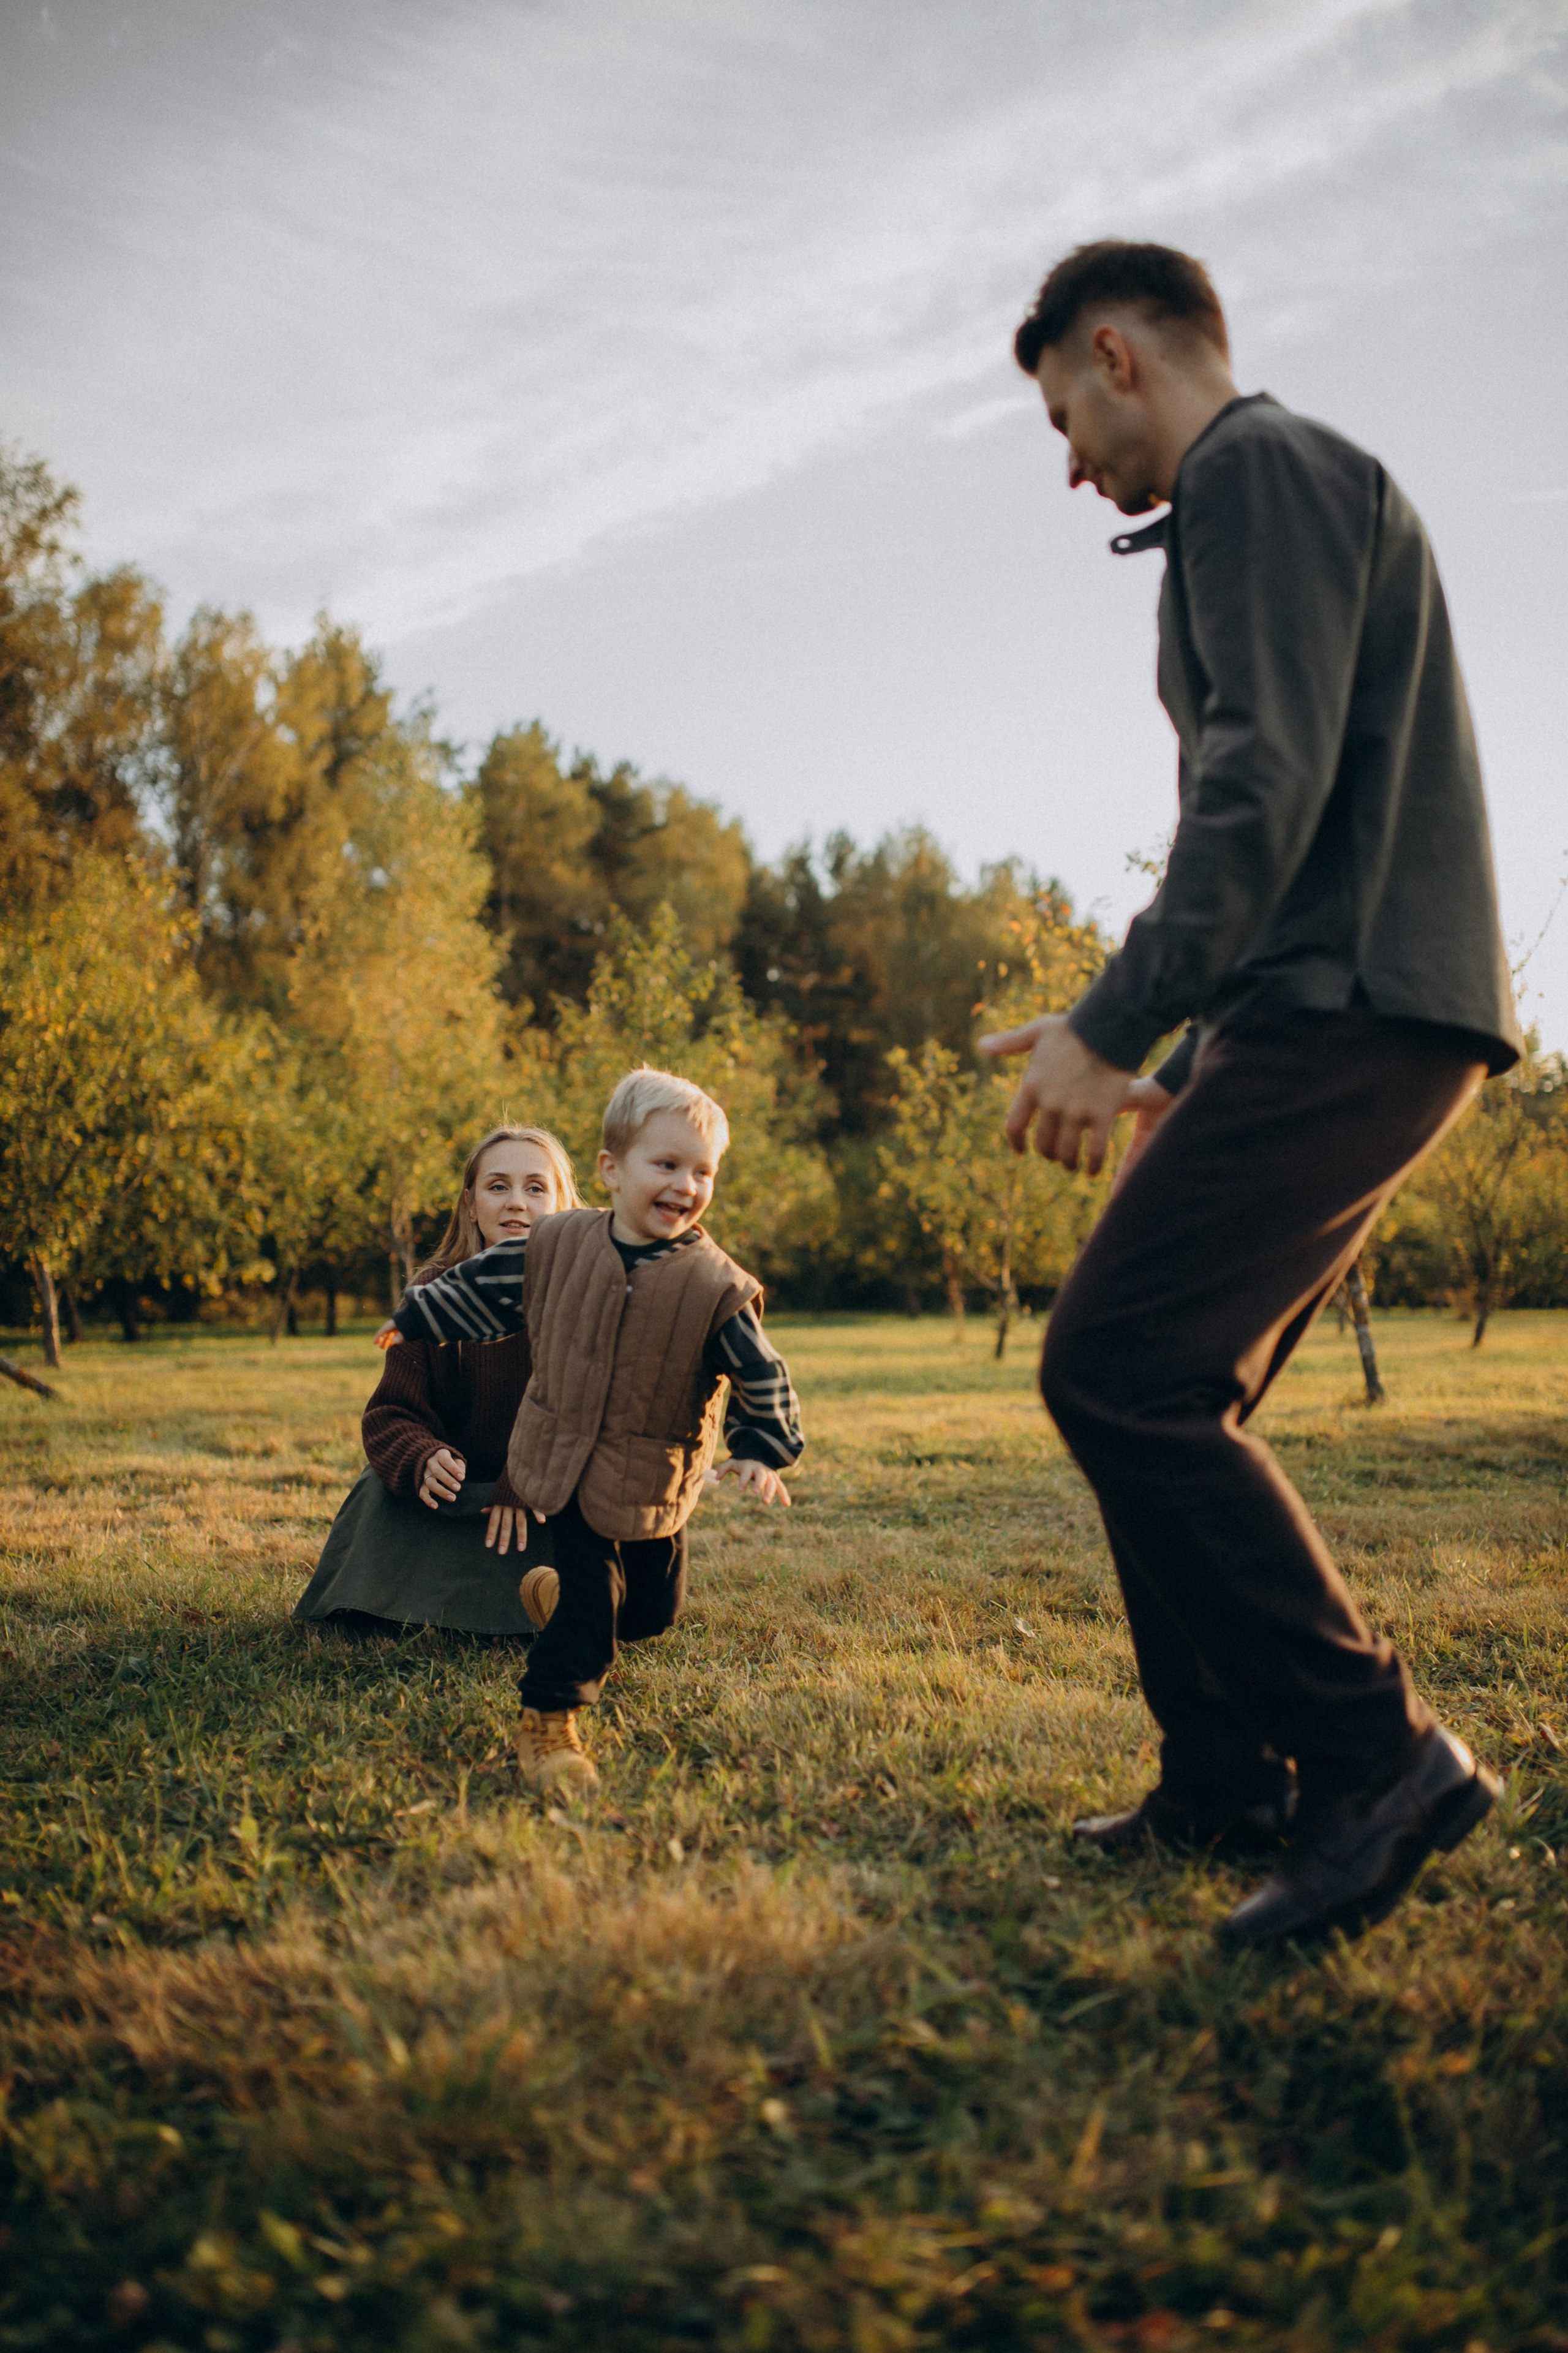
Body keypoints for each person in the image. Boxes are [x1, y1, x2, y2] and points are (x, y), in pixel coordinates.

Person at [982, 240, 1518, 1947]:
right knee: (1164, 1378)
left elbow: (1261, 790)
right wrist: (1197, 1068)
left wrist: (1117, 1019)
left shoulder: (1258, 473)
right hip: (1325, 1007)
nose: (1068, 460)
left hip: (1355, 1008)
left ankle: (1378, 1755)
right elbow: (1302, 807)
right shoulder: (1270, 489)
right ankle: (1224, 1775)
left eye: (1063, 410)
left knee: (1119, 1370)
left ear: (1118, 350)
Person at [386, 1066, 802, 1790]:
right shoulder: (560, 1244)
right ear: (611, 1169)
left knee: (648, 1612)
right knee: (589, 1611)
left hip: (653, 1476)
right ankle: (549, 1724)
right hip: (566, 1466)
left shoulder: (717, 1286)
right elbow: (487, 1287)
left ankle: (546, 1593)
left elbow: (760, 1372)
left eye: (701, 1171)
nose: (685, 1184)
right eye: (666, 1164)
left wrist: (762, 1449)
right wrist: (416, 1318)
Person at [292, 1125, 581, 1637]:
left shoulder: (587, 1294)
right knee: (379, 1490)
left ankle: (554, 1601)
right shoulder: (430, 1292)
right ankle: (407, 1602)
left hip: (544, 1500)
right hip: (461, 1497)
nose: (517, 1202)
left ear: (563, 1202)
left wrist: (528, 1476)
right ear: (471, 1204)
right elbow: (392, 1414)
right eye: (498, 1186)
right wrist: (423, 1458)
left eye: (536, 1187)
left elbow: (591, 1415)